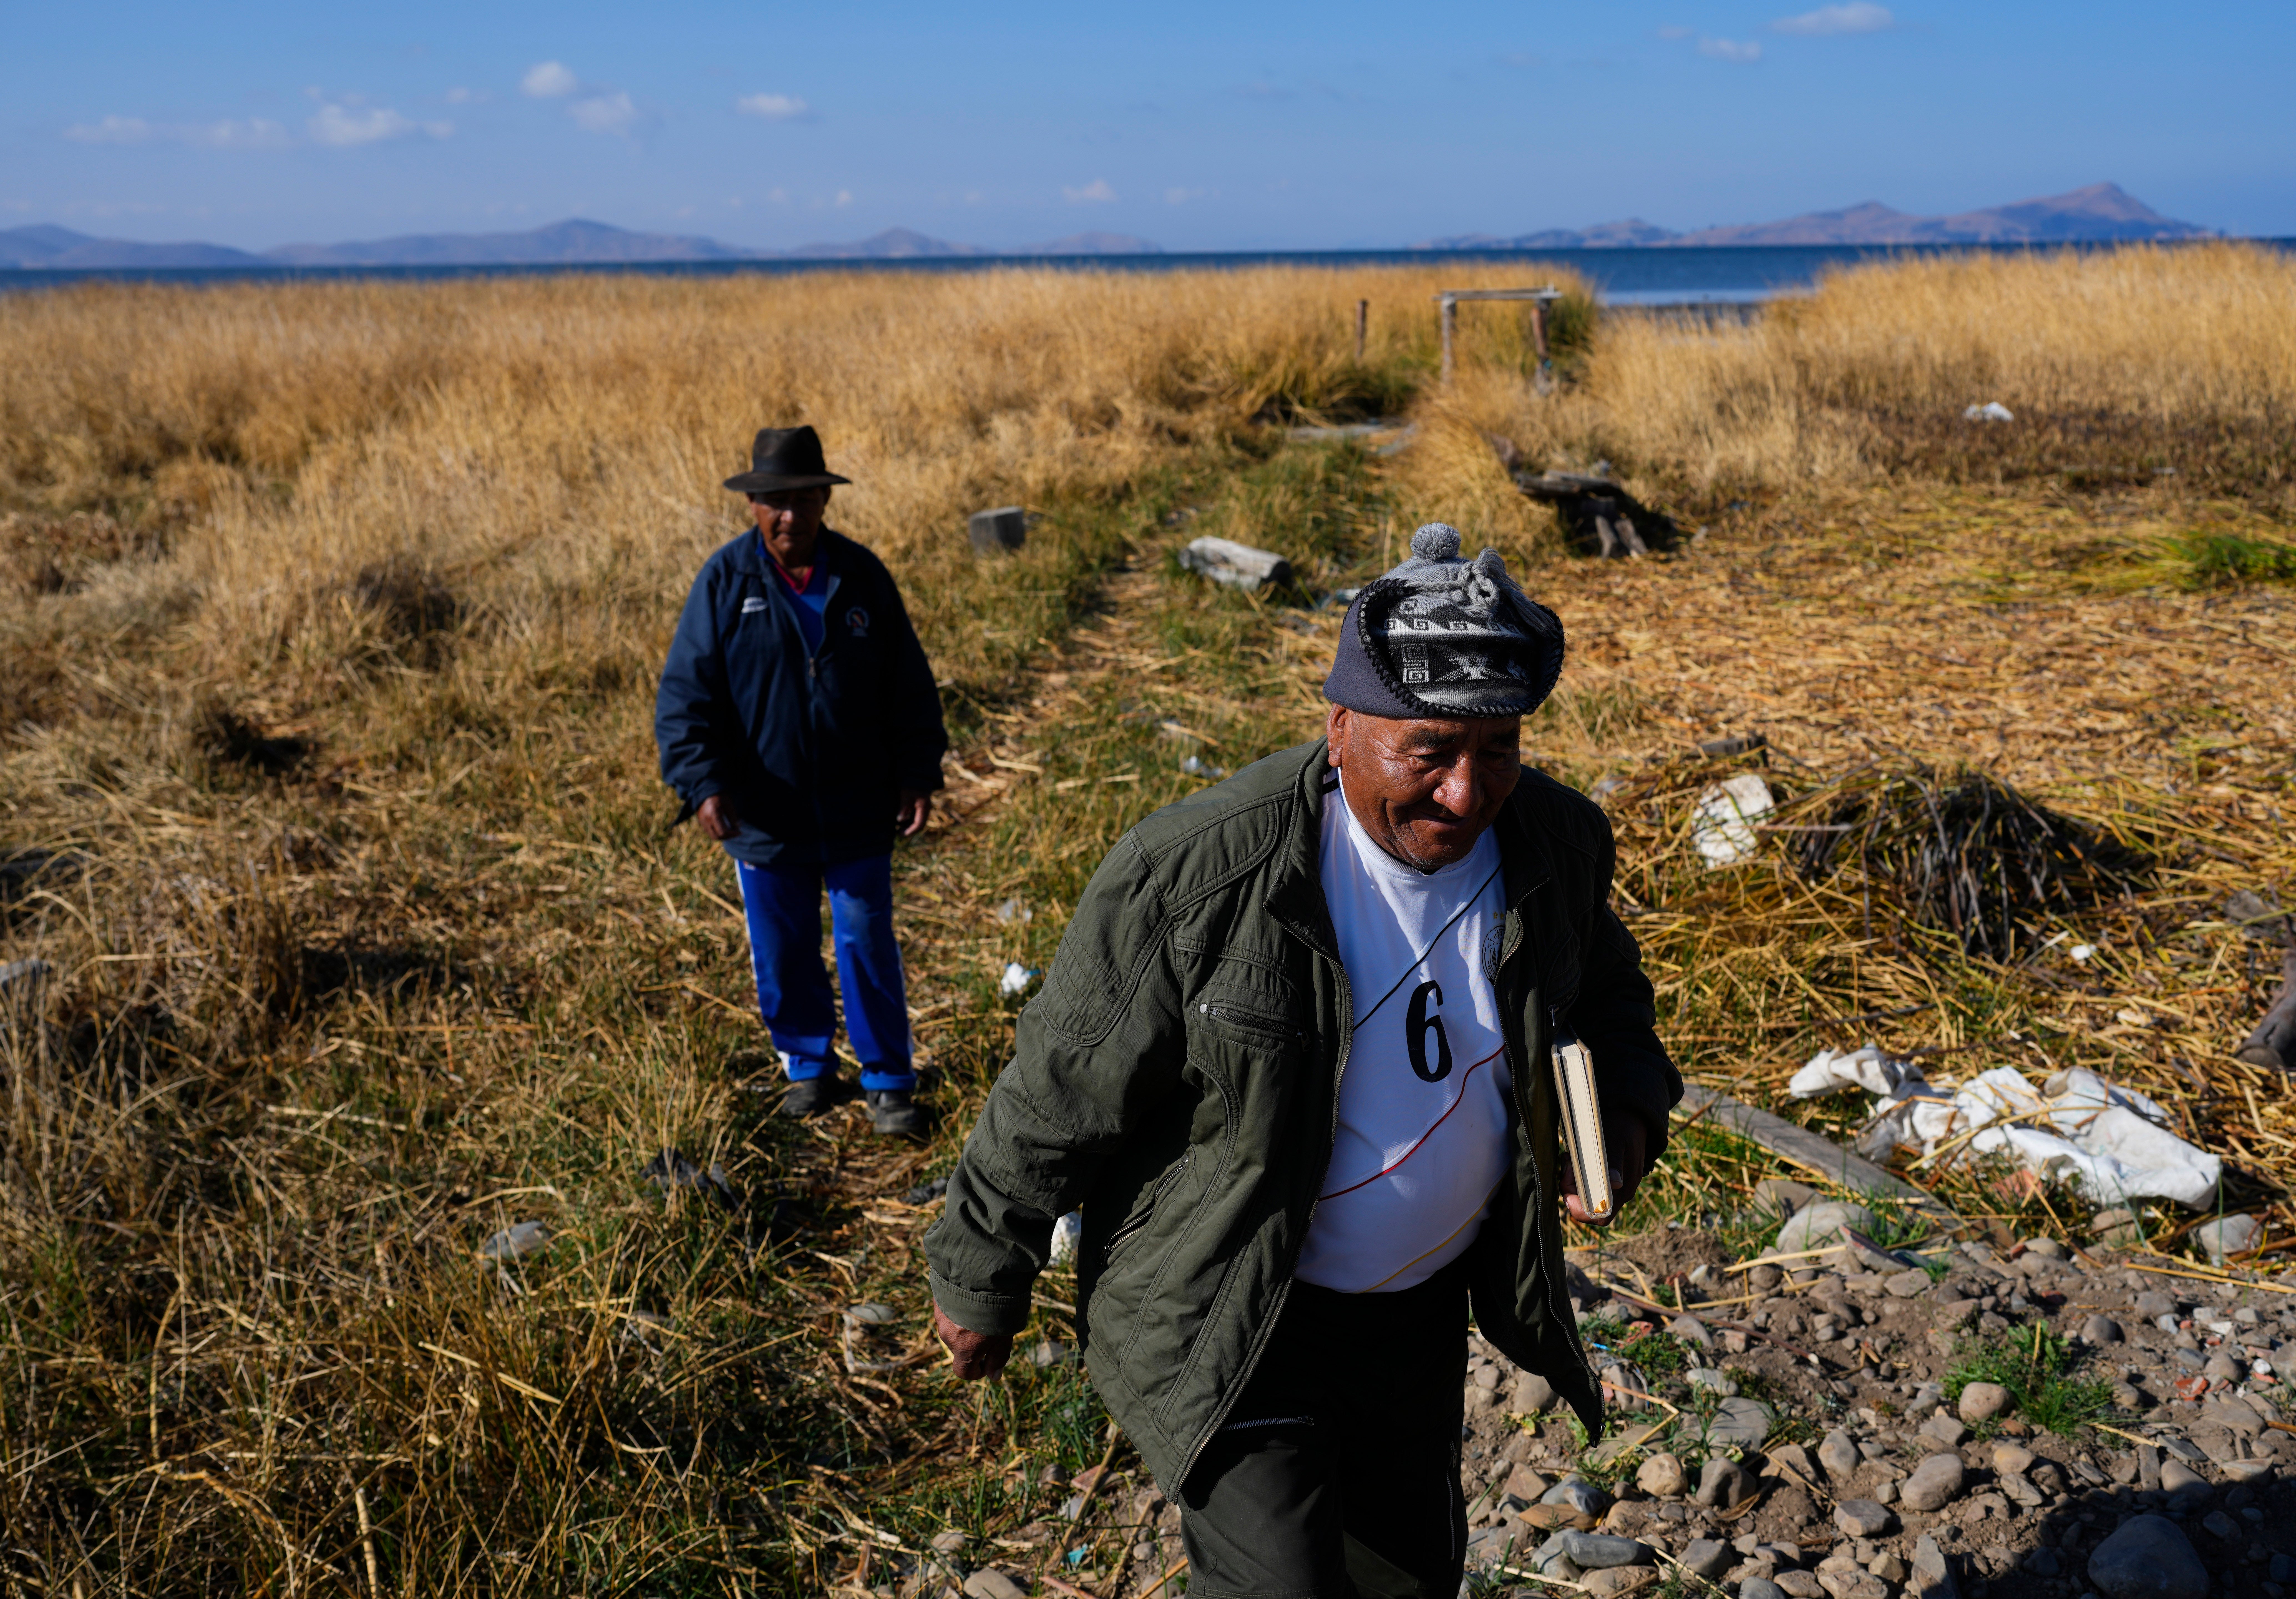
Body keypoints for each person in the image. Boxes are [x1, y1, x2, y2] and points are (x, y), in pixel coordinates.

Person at [922, 523, 1680, 1597]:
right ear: (1341, 730)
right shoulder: (1195, 877)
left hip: (1417, 1315)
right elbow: (1061, 1087)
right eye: (1430, 754)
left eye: (1498, 750)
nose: (1468, 794)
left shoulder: (1555, 845)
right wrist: (980, 1274)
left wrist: (1629, 1116)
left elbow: (1611, 1002)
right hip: (1240, 1303)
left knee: (1407, 1581)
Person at [655, 426, 947, 1137]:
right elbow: (685, 698)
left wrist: (916, 774)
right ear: (753, 506)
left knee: (865, 938)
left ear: (824, 499)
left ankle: (887, 1082)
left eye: (801, 500)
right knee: (783, 951)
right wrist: (703, 784)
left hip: (857, 807)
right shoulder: (725, 583)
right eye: (772, 502)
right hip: (765, 814)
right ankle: (809, 1069)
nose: (788, 516)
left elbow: (908, 685)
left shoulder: (862, 577)